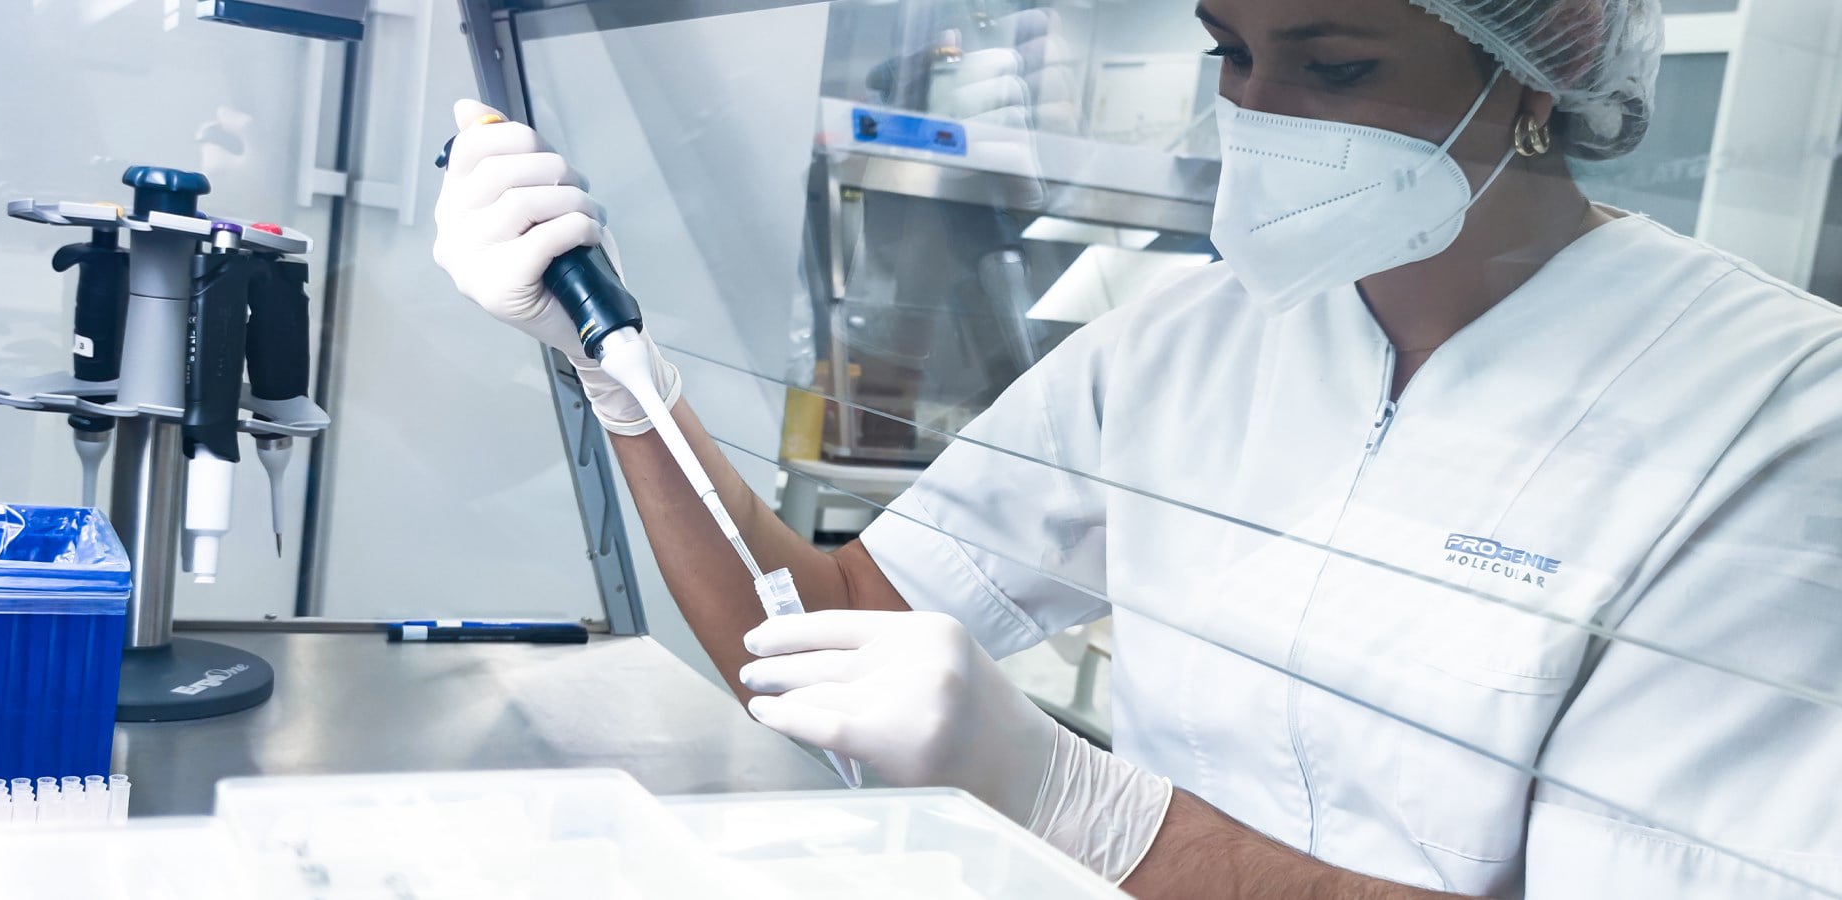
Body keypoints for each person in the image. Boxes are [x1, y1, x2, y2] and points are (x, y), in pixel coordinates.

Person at [432, 0, 1842, 895]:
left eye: (1336, 62)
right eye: (1233, 51)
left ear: (1551, 62)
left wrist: (1079, 803)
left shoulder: (1775, 411)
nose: (1260, 115)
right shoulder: (1189, 339)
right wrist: (618, 374)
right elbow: (815, 619)